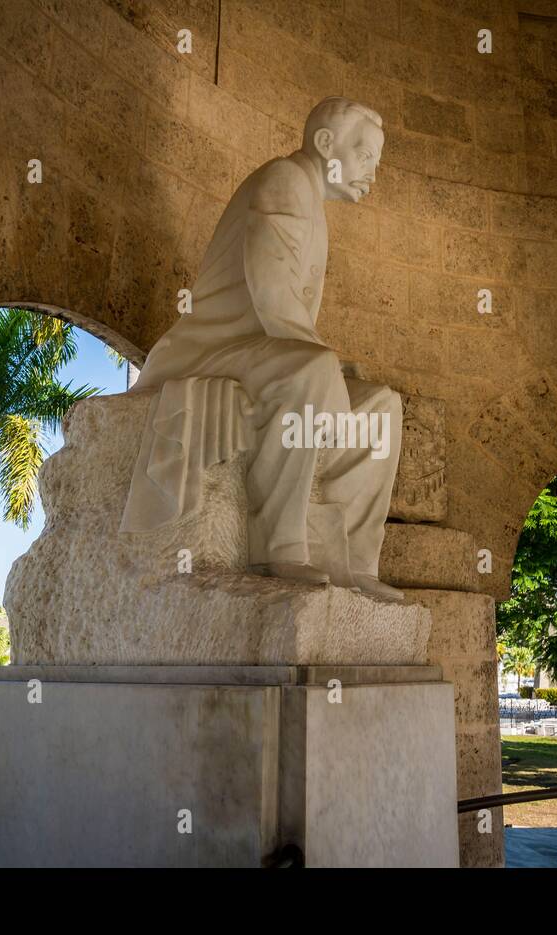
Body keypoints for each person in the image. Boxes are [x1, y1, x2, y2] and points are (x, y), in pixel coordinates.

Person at [121, 96, 402, 599]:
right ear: (324, 143)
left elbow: (288, 320)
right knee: (312, 371)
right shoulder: (285, 181)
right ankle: (279, 547)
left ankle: (355, 564)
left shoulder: (310, 201)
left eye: (376, 164)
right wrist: (325, 369)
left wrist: (331, 369)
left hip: (263, 353)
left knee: (381, 406)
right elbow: (273, 295)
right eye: (366, 158)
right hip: (214, 352)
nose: (372, 174)